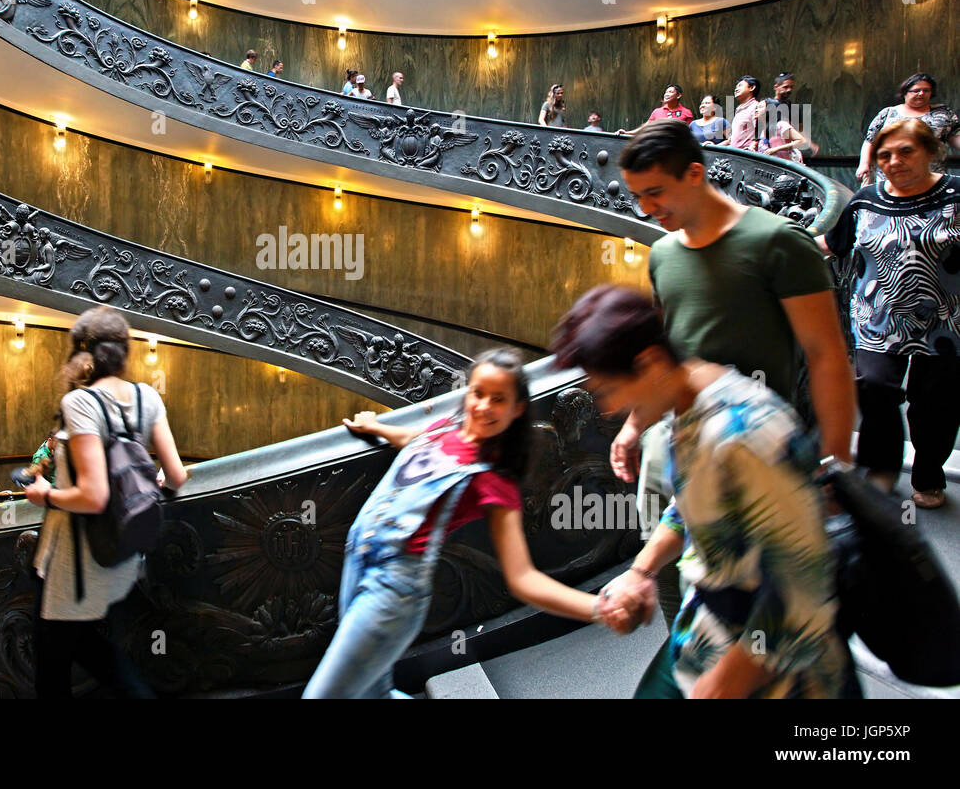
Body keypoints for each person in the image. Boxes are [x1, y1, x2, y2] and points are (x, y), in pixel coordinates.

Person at [553, 287, 856, 699]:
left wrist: (731, 679)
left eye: (609, 389)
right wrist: (641, 573)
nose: (609, 408)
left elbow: (807, 584)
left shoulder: (743, 436)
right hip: (711, 628)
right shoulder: (691, 403)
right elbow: (695, 503)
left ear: (649, 363)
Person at [613, 120, 855, 628]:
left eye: (656, 192)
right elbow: (665, 356)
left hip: (753, 453)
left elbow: (827, 355)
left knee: (748, 595)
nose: (646, 210)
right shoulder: (663, 254)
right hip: (671, 445)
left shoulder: (776, 242)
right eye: (638, 196)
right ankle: (692, 654)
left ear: (696, 173)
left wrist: (835, 462)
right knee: (673, 574)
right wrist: (635, 425)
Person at [302, 348, 640, 699]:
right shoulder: (449, 429)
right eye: (478, 394)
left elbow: (522, 578)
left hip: (392, 593)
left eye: (498, 399)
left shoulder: (494, 480)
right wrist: (377, 427)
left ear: (517, 408)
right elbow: (418, 446)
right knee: (372, 694)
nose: (482, 407)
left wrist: (597, 609)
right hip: (359, 562)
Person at [24, 307, 189, 698]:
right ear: (124, 352)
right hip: (123, 557)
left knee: (52, 667)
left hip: (77, 564)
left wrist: (43, 493)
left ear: (83, 354)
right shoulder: (146, 395)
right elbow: (177, 475)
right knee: (86, 647)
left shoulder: (81, 403)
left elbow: (94, 496)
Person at [818, 118, 960, 508]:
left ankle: (929, 475)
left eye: (905, 151)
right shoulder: (867, 199)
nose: (893, 161)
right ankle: (880, 471)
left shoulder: (956, 195)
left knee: (936, 403)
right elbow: (832, 244)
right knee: (875, 389)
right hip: (877, 319)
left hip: (946, 322)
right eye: (884, 155)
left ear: (931, 152)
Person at [856, 73, 959, 185]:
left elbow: (955, 136)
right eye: (916, 90)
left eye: (926, 90)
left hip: (931, 175)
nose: (921, 93)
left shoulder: (943, 113)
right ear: (905, 92)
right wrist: (864, 164)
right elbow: (870, 141)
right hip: (891, 176)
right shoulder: (888, 113)